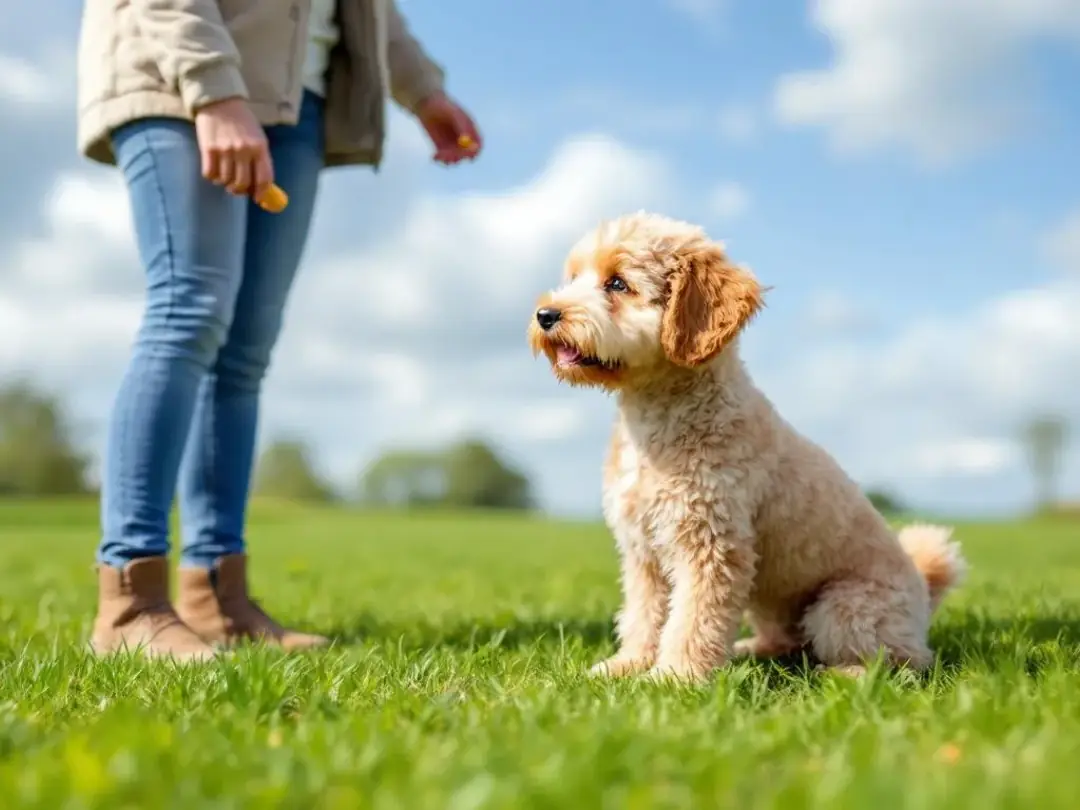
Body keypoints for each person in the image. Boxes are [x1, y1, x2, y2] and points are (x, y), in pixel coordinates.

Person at [76, 0, 482, 661]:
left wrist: (424, 91)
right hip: (179, 72)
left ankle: (216, 598)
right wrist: (215, 89)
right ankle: (129, 602)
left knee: (244, 353)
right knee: (189, 311)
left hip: (296, 97)